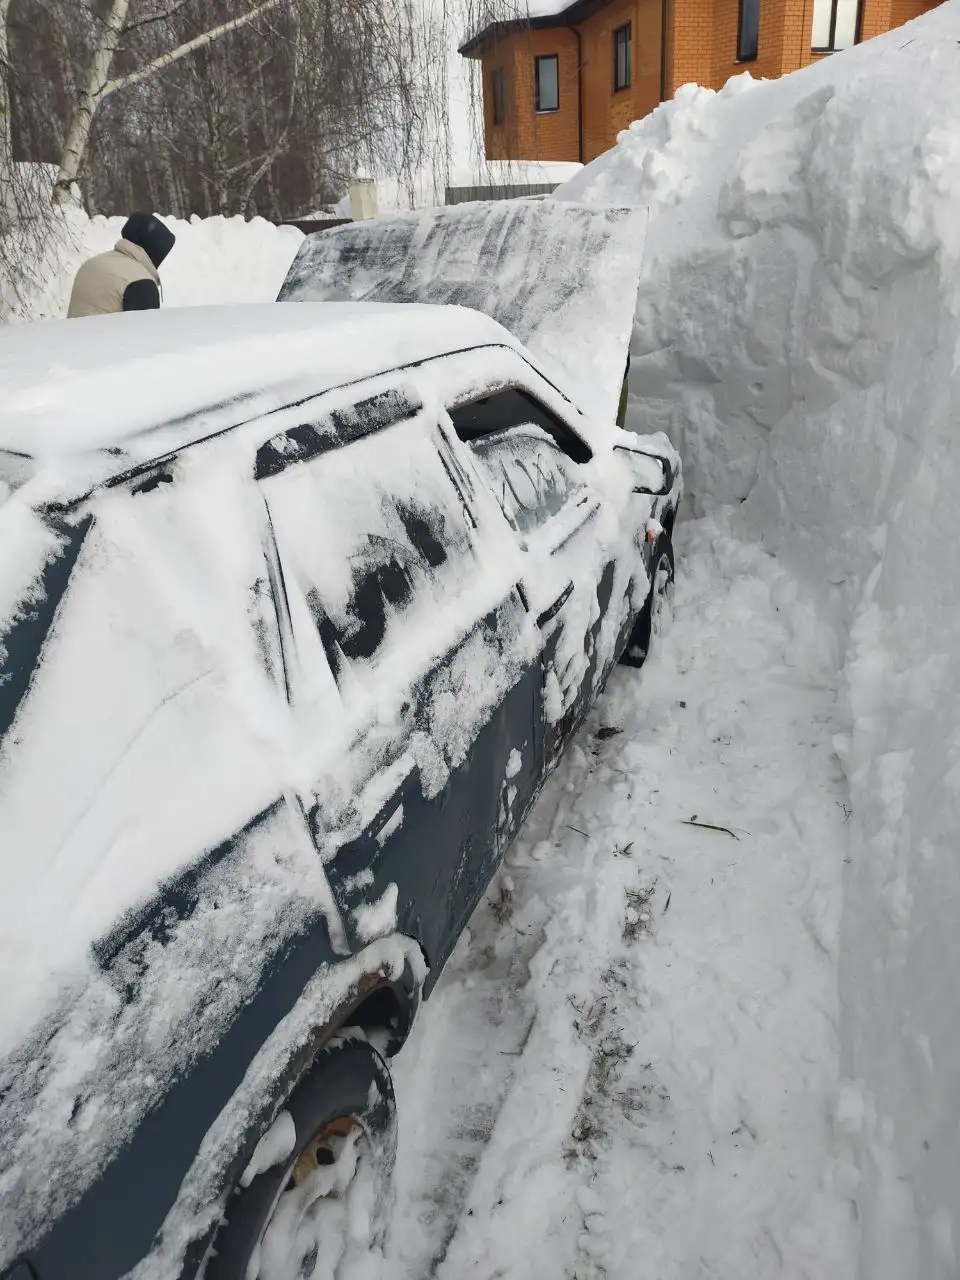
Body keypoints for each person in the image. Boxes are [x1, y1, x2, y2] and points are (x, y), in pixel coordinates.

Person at [67, 212, 176, 318]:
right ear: (154, 251)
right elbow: (146, 332)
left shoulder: (92, 263)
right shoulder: (140, 281)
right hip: (106, 336)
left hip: (71, 336)